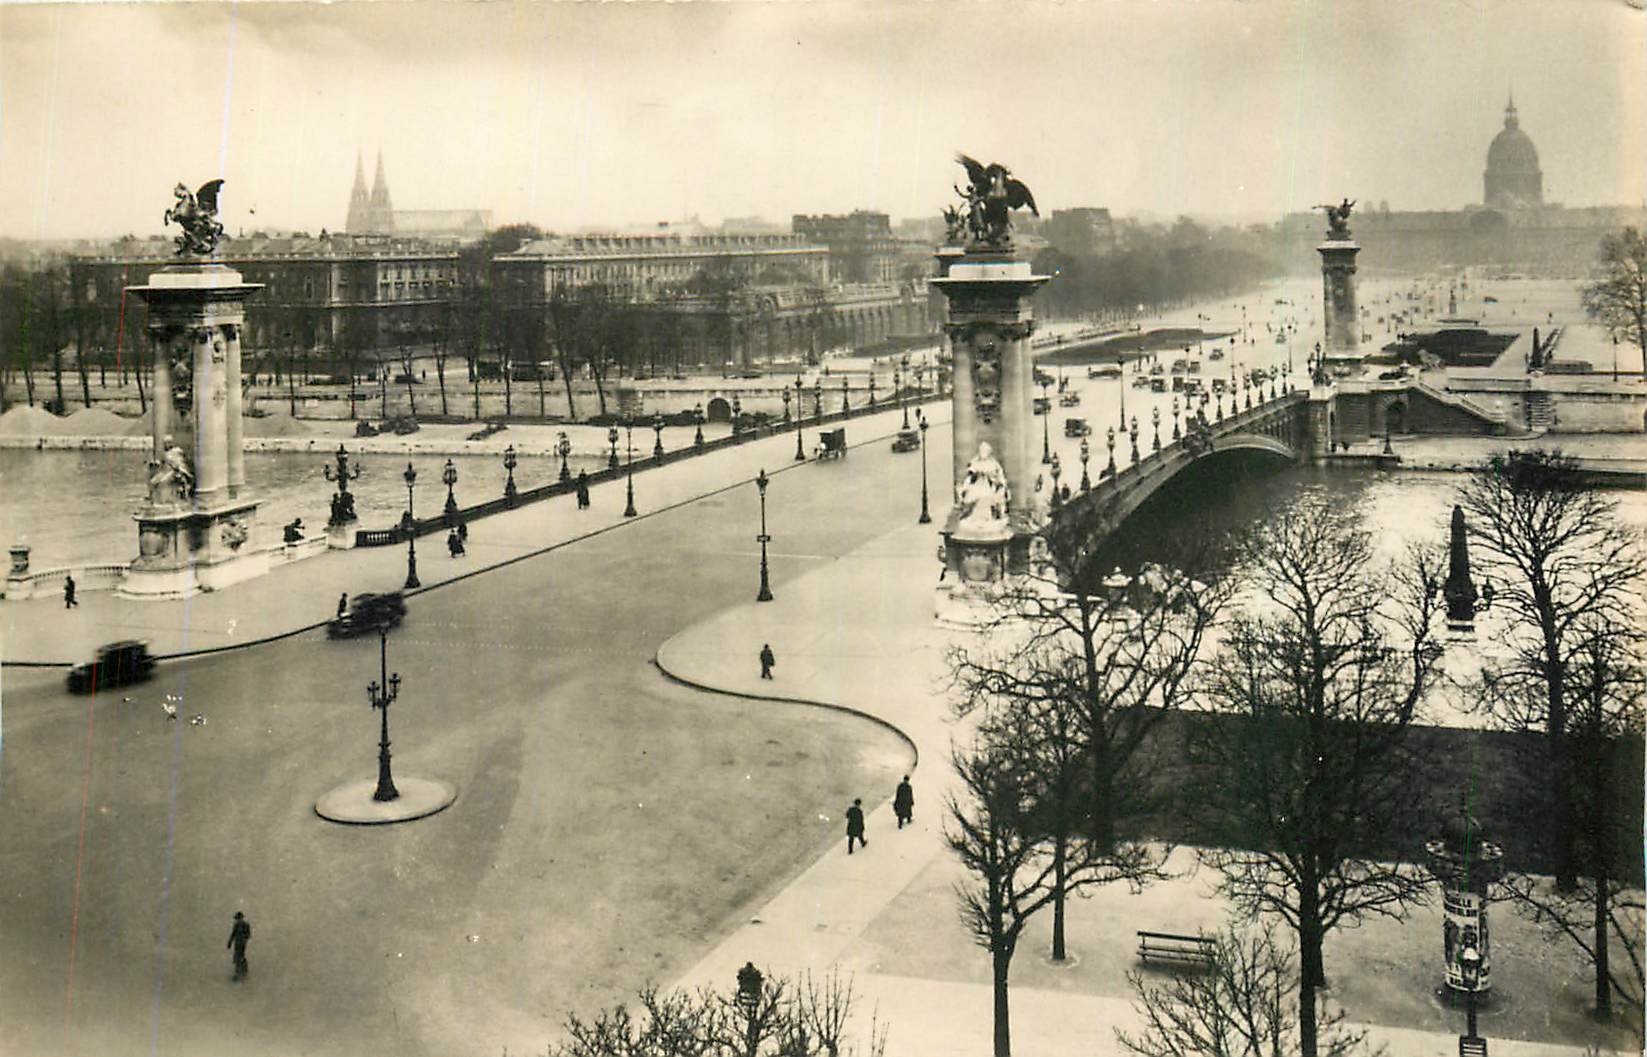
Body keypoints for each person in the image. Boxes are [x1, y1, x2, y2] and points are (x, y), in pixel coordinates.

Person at [227, 911, 251, 981]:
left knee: (239, 956)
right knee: (239, 956)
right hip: (239, 943)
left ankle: (240, 972)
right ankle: (241, 971)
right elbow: (234, 934)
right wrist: (230, 942)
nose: (238, 920)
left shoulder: (243, 925)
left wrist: (230, 942)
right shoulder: (240, 925)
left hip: (240, 943)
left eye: (238, 918)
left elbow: (248, 934)